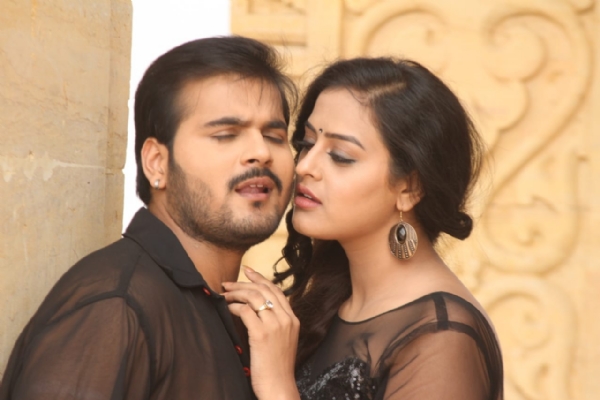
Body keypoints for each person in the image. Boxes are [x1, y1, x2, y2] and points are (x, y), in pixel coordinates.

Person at [0, 36, 296, 399]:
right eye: (226, 134)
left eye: (275, 136)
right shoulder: (115, 307)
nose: (261, 152)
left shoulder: (239, 316)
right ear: (157, 162)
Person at [223, 57, 504, 400]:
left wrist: (278, 386)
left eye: (340, 156)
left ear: (409, 188)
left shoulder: (442, 338)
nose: (305, 166)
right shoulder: (332, 299)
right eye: (307, 144)